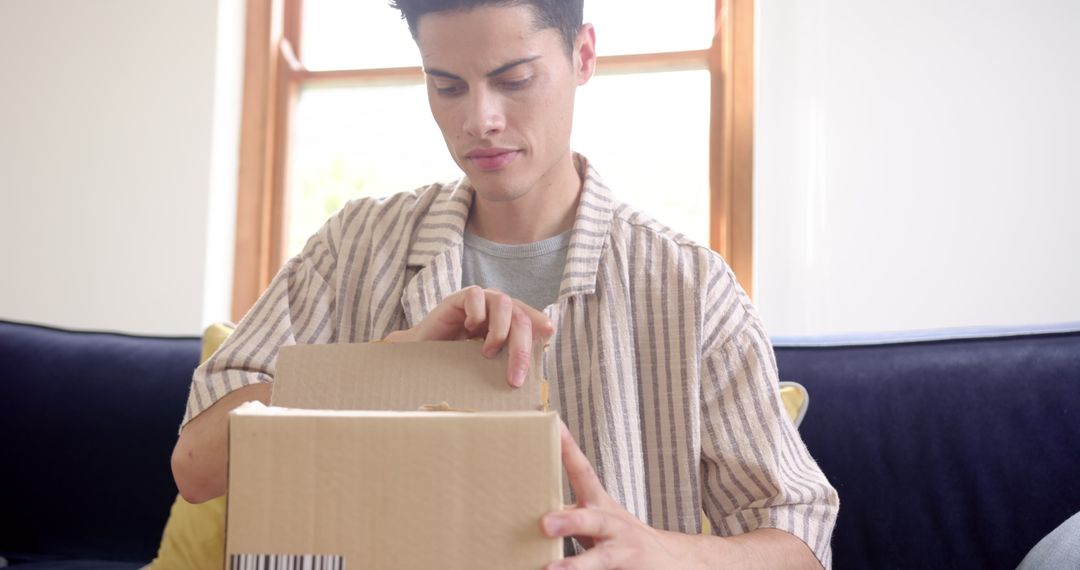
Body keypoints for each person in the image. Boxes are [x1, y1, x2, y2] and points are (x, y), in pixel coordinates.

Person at [171, 1, 839, 568]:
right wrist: (383, 370)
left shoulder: (689, 287)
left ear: (583, 57)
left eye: (513, 79)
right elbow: (196, 468)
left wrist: (662, 553)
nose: (478, 120)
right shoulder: (350, 248)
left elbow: (800, 539)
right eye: (448, 86)